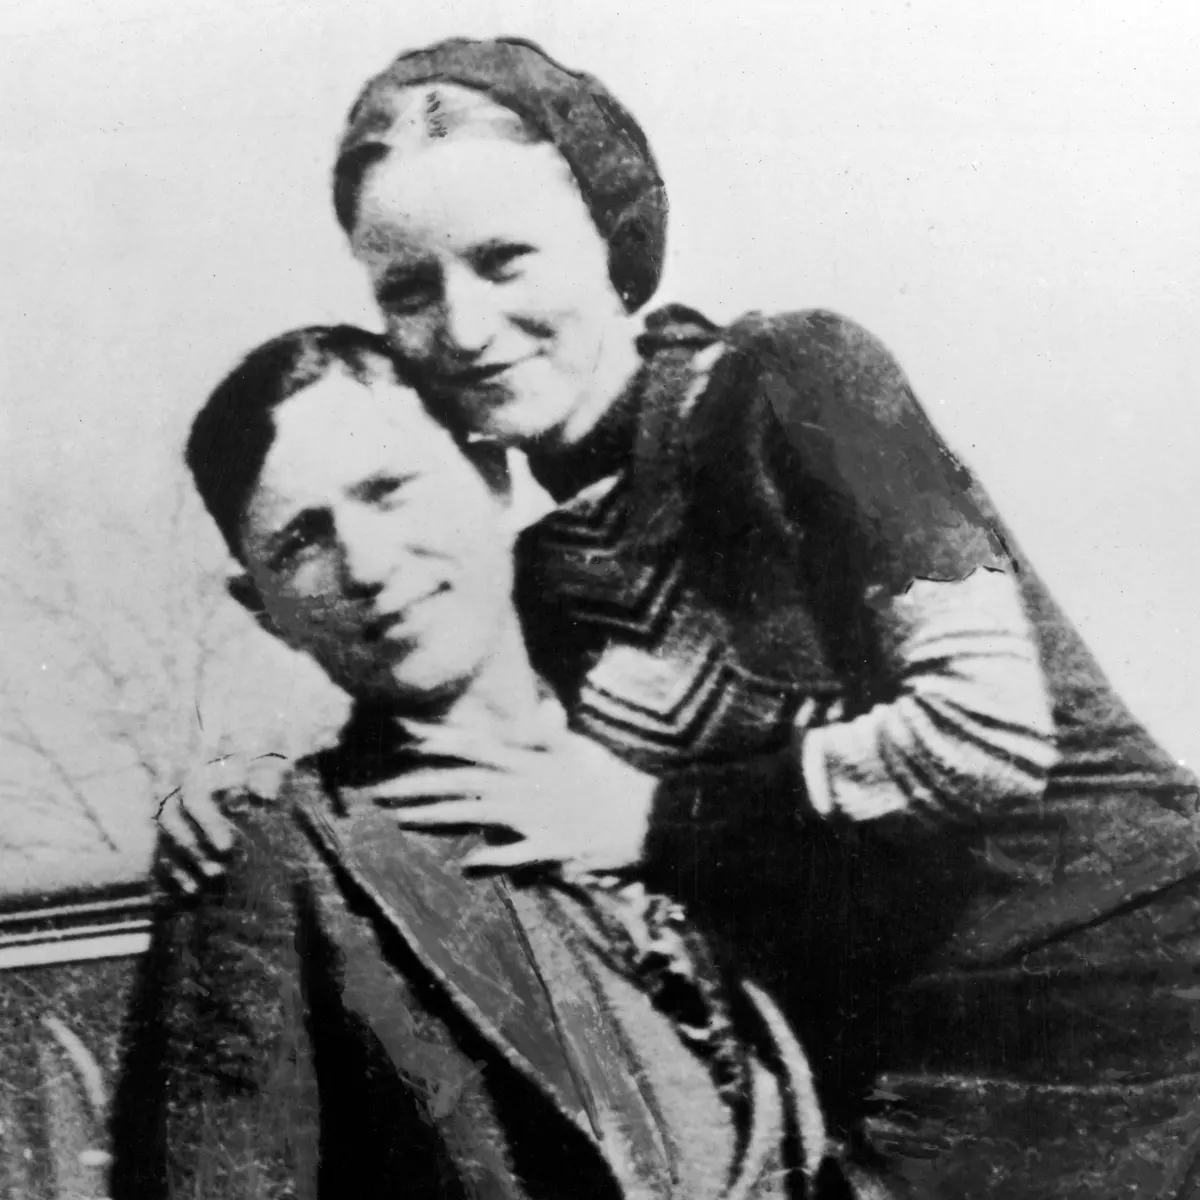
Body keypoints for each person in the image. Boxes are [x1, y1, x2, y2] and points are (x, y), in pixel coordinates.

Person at [324, 35, 1200, 1192]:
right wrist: (235, 800)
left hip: (1137, 1005)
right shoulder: (537, 579)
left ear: (612, 241)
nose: (467, 326)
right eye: (409, 292)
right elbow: (458, 781)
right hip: (895, 1080)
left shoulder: (791, 382)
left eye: (504, 260)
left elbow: (986, 734)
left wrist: (658, 817)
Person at [113, 325, 871, 1200]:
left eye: (389, 490)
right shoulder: (274, 861)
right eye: (300, 542)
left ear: (493, 477)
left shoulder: (689, 761)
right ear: (263, 609)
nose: (366, 565)